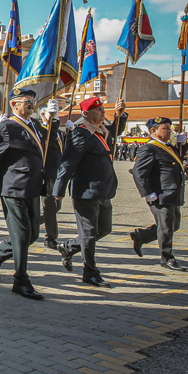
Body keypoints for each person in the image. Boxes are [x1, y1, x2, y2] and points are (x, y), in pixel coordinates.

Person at [0, 88, 56, 301]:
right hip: (14, 189)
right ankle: (21, 280)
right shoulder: (6, 127)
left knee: (33, 235)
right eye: (26, 101)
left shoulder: (37, 126)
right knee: (21, 235)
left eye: (32, 100)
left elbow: (51, 148)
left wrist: (53, 122)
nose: (31, 103)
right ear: (14, 105)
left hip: (33, 188)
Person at [52, 96, 127, 287]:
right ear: (86, 113)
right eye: (98, 110)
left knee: (104, 229)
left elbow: (117, 130)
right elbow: (67, 163)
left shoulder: (102, 131)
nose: (102, 113)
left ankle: (68, 247)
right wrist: (58, 191)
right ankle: (90, 272)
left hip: (104, 191)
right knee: (89, 233)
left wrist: (121, 114)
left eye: (103, 110)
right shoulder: (81, 134)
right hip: (86, 192)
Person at [130, 117, 188, 271]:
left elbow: (178, 162)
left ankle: (141, 236)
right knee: (166, 228)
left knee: (174, 225)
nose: (169, 131)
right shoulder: (149, 148)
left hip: (172, 194)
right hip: (160, 194)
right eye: (165, 128)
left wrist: (183, 145)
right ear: (153, 131)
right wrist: (148, 193)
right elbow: (138, 172)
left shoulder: (168, 147)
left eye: (170, 128)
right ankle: (167, 258)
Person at [38, 104, 67, 250]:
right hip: (47, 173)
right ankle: (50, 237)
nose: (54, 116)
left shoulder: (56, 131)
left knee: (56, 206)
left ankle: (32, 221)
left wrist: (70, 132)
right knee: (50, 207)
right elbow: (49, 138)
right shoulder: (42, 130)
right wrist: (54, 122)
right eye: (51, 114)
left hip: (58, 173)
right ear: (43, 115)